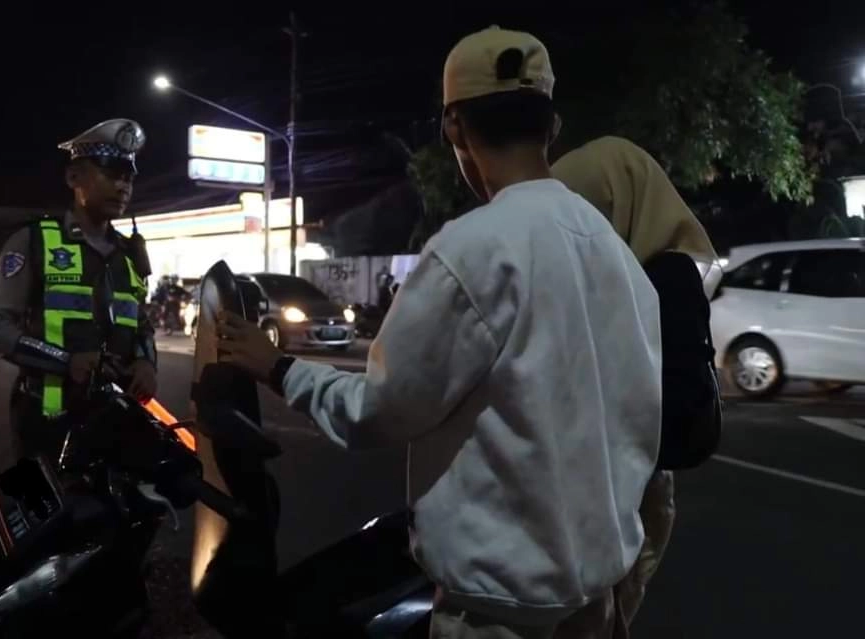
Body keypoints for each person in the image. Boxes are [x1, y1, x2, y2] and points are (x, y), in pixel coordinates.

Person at [217, 27, 661, 638]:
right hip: (596, 603)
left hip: (496, 614)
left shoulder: (470, 250)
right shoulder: (618, 255)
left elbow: (379, 409)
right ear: (552, 127)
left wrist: (278, 367)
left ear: (453, 127)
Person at [551, 135, 720, 627]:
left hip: (628, 483)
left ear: (615, 205)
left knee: (606, 607)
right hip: (606, 482)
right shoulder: (616, 270)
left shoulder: (663, 275)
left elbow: (676, 398)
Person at [0, 118, 158, 461]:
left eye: (128, 177)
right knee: (38, 512)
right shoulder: (33, 242)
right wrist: (66, 362)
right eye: (111, 173)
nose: (123, 186)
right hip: (43, 423)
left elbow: (142, 325)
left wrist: (147, 363)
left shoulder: (129, 255)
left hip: (113, 420)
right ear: (74, 178)